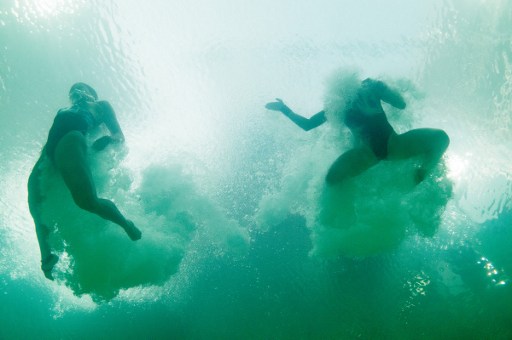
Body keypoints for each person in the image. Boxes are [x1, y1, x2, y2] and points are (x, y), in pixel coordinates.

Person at [28, 82, 142, 280]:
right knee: (35, 207)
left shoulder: (102, 105)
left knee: (86, 201)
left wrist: (108, 139)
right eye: (72, 90)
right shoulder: (63, 109)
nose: (75, 91)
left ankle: (126, 224)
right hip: (47, 157)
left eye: (81, 88)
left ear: (92, 93)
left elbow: (119, 136)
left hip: (71, 139)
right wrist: (43, 165)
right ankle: (46, 256)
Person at [265, 76, 450, 186]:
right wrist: (284, 109)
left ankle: (423, 171)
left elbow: (401, 104)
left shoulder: (370, 91)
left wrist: (384, 88)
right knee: (331, 180)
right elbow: (307, 125)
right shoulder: (339, 106)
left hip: (395, 145)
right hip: (366, 153)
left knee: (441, 138)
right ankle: (344, 222)